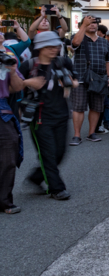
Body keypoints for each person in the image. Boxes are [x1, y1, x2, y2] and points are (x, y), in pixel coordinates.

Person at [20, 32, 74, 201]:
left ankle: (36, 177)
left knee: (60, 153)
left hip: (61, 114)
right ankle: (56, 188)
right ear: (40, 47)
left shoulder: (63, 62)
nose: (54, 49)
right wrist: (27, 82)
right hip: (39, 117)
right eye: (49, 46)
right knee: (48, 154)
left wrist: (71, 83)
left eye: (56, 46)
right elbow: (12, 85)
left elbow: (75, 79)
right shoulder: (29, 66)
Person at [69, 16, 109, 146]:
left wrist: (107, 77)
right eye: (89, 23)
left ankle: (91, 133)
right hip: (81, 78)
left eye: (94, 23)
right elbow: (75, 43)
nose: (92, 25)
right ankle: (77, 135)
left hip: (99, 79)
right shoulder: (78, 37)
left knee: (96, 107)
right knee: (78, 107)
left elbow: (108, 60)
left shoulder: (104, 42)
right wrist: (83, 25)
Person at [0, 51, 25, 214]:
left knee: (9, 151)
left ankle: (4, 201)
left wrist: (13, 70)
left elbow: (17, 87)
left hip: (2, 111)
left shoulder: (5, 58)